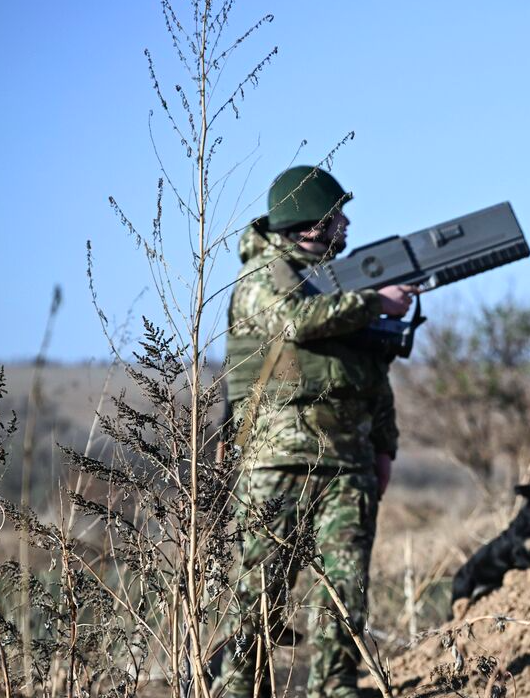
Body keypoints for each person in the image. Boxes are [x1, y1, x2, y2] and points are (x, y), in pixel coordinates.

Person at [216, 165, 415, 698]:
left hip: (347, 464)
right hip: (276, 464)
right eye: (334, 218)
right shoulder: (261, 277)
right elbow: (297, 322)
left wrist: (384, 448)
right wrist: (376, 302)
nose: (344, 225)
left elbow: (372, 379)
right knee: (261, 590)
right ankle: (237, 687)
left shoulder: (341, 290)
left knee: (345, 587)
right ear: (308, 224)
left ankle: (336, 686)